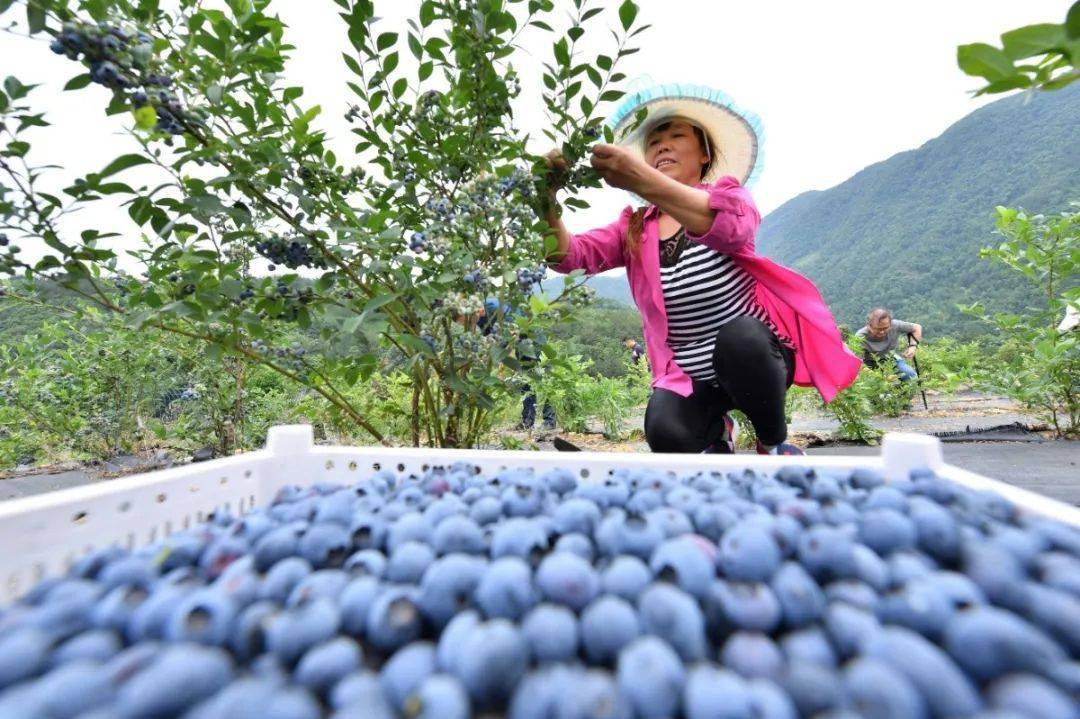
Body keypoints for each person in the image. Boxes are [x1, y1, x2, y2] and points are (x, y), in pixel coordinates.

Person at [541, 84, 861, 455]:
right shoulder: (634, 227)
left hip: (752, 358)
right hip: (688, 375)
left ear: (704, 154)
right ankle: (715, 431)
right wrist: (545, 198)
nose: (662, 145)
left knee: (742, 340)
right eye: (654, 141)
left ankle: (771, 440)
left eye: (676, 136)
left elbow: (730, 229)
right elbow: (565, 256)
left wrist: (641, 179)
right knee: (664, 432)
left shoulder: (729, 198)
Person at [479, 298, 556, 431]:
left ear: (479, 308)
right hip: (516, 344)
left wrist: (508, 357)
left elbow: (513, 332)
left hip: (532, 340)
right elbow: (491, 340)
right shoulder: (478, 319)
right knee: (524, 381)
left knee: (542, 377)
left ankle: (549, 420)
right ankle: (527, 422)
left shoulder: (494, 306)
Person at [855, 308, 922, 382]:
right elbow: (858, 364)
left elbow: (917, 327)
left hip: (890, 359)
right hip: (869, 364)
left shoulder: (895, 325)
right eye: (878, 329)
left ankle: (900, 391)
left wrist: (912, 346)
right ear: (869, 326)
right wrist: (880, 377)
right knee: (876, 384)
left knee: (911, 376)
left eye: (886, 328)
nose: (882, 332)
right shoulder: (860, 337)